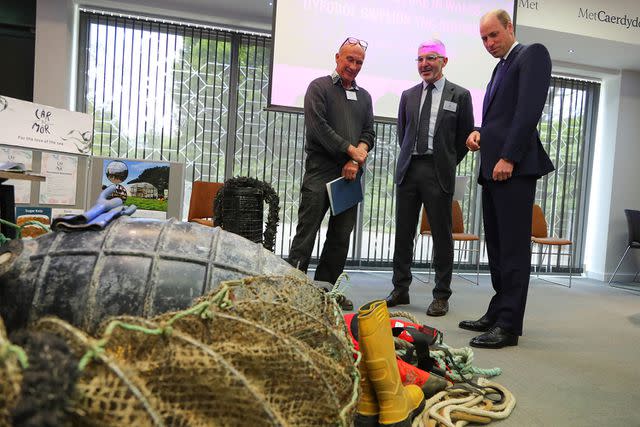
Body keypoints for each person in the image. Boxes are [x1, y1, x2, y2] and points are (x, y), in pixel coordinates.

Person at [461, 9, 554, 348]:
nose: (488, 43)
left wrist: (508, 156)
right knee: (498, 247)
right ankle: (499, 310)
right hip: (493, 168)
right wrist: (480, 133)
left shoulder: (533, 54)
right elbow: (501, 118)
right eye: (484, 38)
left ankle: (509, 326)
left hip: (512, 168)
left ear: (509, 27)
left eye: (493, 35)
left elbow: (528, 111)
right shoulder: (500, 67)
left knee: (513, 249)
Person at [385, 39, 474, 318]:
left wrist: (445, 162)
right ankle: (401, 288)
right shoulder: (408, 95)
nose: (425, 64)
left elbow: (463, 139)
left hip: (438, 172)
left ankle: (441, 295)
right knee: (403, 233)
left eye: (431, 58)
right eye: (420, 59)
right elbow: (404, 134)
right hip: (409, 169)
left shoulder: (460, 95)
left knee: (442, 236)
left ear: (444, 62)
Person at [287, 37, 375, 309]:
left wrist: (356, 160)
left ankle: (327, 290)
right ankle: (293, 290)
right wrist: (352, 151)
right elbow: (318, 130)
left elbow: (369, 133)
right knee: (306, 233)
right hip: (319, 173)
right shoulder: (319, 87)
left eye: (359, 61)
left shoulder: (365, 97)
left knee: (340, 238)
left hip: (350, 176)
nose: (353, 66)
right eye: (349, 59)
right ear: (337, 57)